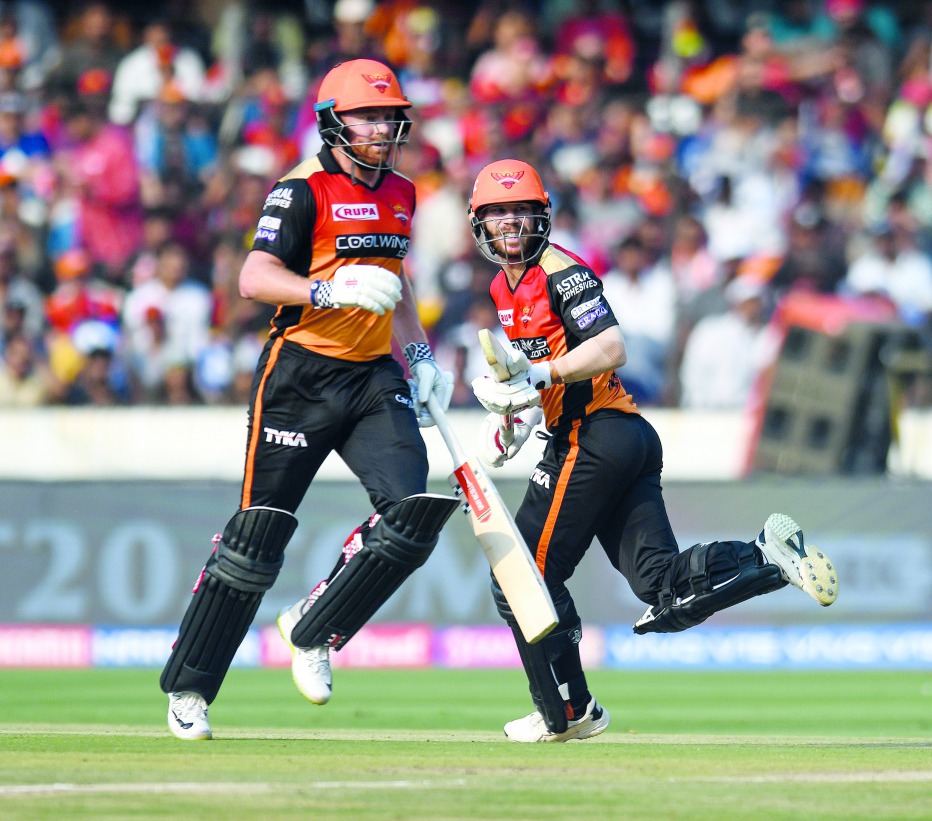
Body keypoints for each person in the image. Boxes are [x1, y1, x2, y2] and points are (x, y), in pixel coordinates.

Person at [464, 159, 839, 743]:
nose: (510, 224)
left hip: (595, 435)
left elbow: (611, 347)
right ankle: (767, 557)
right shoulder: (500, 286)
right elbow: (545, 372)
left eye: (520, 211)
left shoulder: (563, 271)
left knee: (522, 577)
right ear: (479, 223)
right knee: (661, 589)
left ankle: (567, 710)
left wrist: (538, 378)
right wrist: (518, 414)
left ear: (542, 216)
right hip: (618, 437)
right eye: (497, 213)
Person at [160, 59, 456, 741]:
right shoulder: (302, 189)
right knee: (255, 538)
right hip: (298, 374)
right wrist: (327, 289)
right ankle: (191, 690)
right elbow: (253, 277)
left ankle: (314, 626)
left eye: (390, 116)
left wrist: (419, 357)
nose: (383, 127)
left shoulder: (404, 192)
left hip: (372, 376)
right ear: (335, 121)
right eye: (369, 116)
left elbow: (395, 282)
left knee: (412, 514)